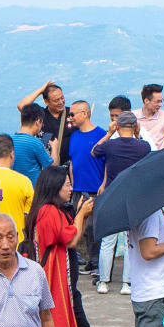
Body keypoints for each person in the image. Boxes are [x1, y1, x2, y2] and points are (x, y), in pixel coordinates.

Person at [25, 165, 124, 327]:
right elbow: (70, 238)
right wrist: (80, 215)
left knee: (80, 325)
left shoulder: (47, 210)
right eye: (67, 184)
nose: (70, 188)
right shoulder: (48, 211)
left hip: (64, 283)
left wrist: (79, 214)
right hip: (55, 284)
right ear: (54, 187)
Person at [92, 104, 152, 294]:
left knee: (108, 241)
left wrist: (109, 134)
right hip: (133, 196)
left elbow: (95, 151)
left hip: (112, 194)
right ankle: (127, 284)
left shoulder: (110, 145)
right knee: (129, 242)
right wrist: (138, 135)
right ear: (135, 127)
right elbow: (146, 154)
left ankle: (103, 282)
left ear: (117, 126)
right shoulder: (142, 146)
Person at [64, 100, 107, 268]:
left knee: (93, 228)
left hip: (95, 189)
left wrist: (103, 184)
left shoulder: (101, 134)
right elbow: (73, 162)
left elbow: (106, 163)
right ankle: (83, 261)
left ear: (85, 114)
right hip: (78, 189)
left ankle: (96, 262)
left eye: (73, 114)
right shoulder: (74, 136)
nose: (70, 118)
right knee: (77, 226)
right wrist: (73, 184)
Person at [17, 80, 69, 159]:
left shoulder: (72, 113)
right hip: (47, 167)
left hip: (69, 166)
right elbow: (21, 106)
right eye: (56, 100)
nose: (61, 102)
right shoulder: (41, 115)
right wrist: (41, 90)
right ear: (46, 102)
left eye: (62, 98)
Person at [11, 104, 55, 185]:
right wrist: (55, 146)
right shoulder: (35, 142)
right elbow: (51, 167)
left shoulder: (8, 140)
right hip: (31, 190)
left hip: (13, 188)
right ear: (38, 122)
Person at [139, 83, 164, 151]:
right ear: (146, 101)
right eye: (157, 102)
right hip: (142, 158)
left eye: (161, 101)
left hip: (159, 157)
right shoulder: (133, 117)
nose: (160, 105)